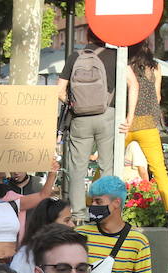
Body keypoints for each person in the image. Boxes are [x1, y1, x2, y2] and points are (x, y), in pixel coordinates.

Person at [59, 30, 133, 221]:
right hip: (108, 115)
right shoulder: (117, 57)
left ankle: (78, 214)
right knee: (106, 166)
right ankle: (104, 211)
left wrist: (75, 103)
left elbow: (59, 91)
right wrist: (129, 117)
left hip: (80, 119)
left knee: (77, 168)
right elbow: (133, 84)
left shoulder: (75, 57)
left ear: (87, 38)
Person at [120, 42, 168, 225]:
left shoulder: (124, 65)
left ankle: (91, 204)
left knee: (107, 161)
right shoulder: (156, 67)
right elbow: (158, 97)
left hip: (126, 123)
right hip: (149, 124)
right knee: (159, 169)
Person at [0, 167, 60, 266]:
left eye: (4, 179)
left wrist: (52, 174)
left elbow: (43, 195)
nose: (1, 183)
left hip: (12, 261)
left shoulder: (15, 201)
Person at [10, 199, 74, 273]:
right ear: (48, 224)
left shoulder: (64, 252)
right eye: (67, 220)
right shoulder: (26, 256)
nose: (72, 225)